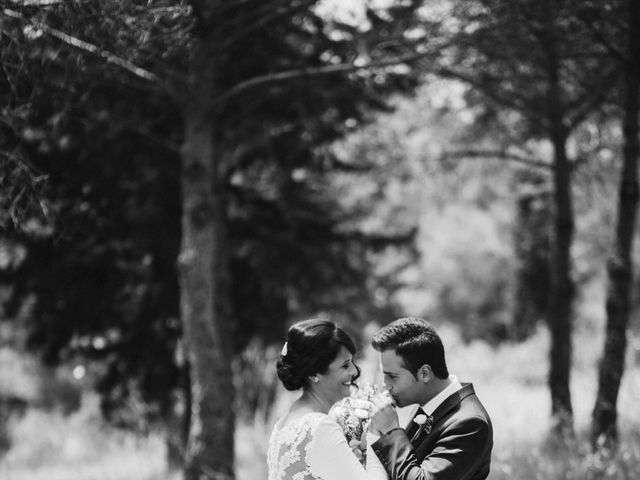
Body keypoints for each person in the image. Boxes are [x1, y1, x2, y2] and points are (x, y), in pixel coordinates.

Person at [368, 317, 493, 480]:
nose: (385, 385)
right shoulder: (429, 403)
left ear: (425, 373)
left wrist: (390, 431)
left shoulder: (470, 423)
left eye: (392, 376)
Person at [267, 318, 388, 480]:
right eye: (345, 365)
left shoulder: (284, 423)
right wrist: (375, 432)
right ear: (313, 374)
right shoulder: (320, 427)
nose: (354, 371)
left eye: (352, 361)